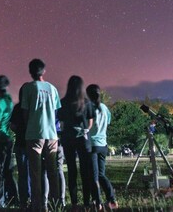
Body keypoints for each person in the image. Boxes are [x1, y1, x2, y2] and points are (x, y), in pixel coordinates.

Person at [21, 58, 61, 211]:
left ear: (30, 72)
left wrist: (29, 125)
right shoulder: (52, 88)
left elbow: (25, 111)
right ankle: (55, 204)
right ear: (44, 71)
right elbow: (56, 111)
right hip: (51, 134)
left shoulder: (28, 88)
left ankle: (38, 206)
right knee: (52, 171)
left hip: (34, 133)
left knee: (35, 172)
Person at [58, 76, 98, 209]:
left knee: (71, 170)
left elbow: (61, 123)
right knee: (85, 170)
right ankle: (86, 201)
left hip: (68, 138)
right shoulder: (87, 103)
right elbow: (91, 120)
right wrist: (85, 129)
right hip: (83, 138)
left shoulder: (63, 102)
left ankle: (74, 202)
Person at [86, 84, 118, 210]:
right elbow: (108, 122)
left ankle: (98, 203)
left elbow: (86, 125)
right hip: (103, 144)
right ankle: (112, 199)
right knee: (101, 174)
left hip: (92, 144)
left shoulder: (89, 107)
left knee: (94, 176)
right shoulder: (105, 108)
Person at [0, 75, 18, 207]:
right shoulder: (9, 99)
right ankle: (14, 198)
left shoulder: (0, 103)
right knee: (8, 170)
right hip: (8, 138)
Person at [10, 84, 30, 209]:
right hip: (33, 143)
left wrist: (19, 131)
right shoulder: (33, 106)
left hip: (20, 143)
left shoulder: (17, 107)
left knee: (22, 173)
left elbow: (12, 125)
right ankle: (34, 197)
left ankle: (23, 200)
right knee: (34, 172)